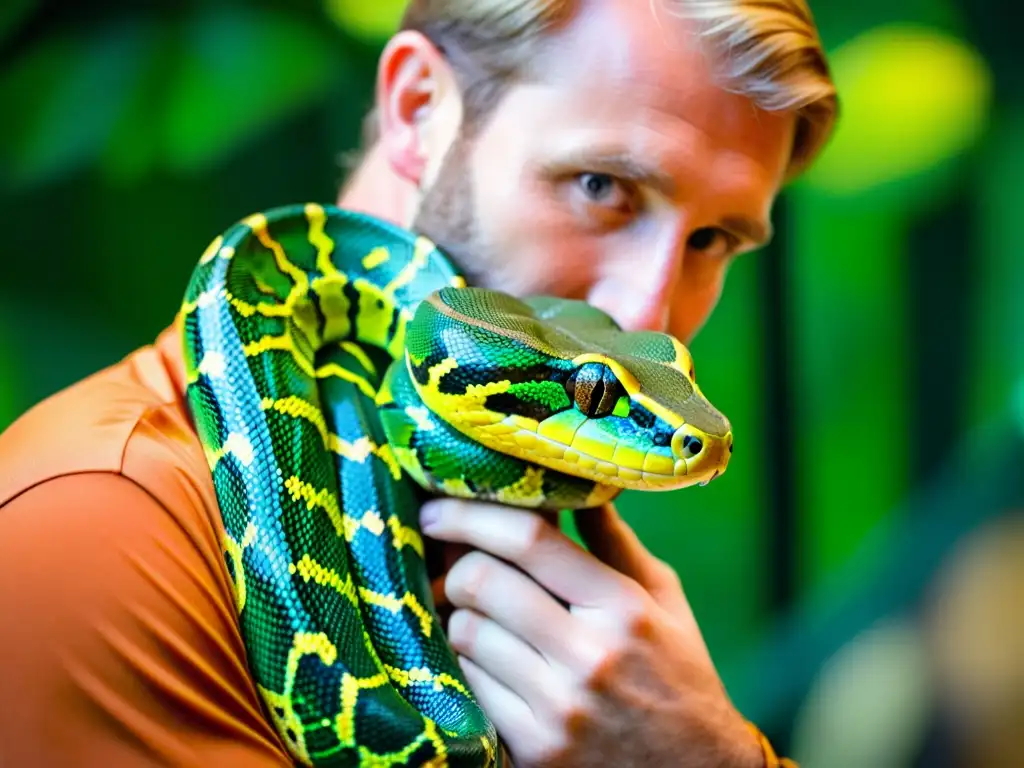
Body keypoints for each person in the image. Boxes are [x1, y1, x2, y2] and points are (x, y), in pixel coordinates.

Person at [0, 0, 837, 765]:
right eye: (602, 188)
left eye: (715, 240)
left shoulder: (568, 590)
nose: (646, 304)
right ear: (418, 110)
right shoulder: (95, 519)